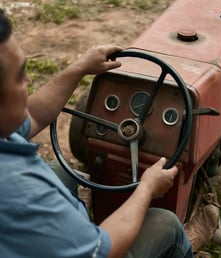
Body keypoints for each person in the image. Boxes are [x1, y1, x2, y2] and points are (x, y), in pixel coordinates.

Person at [0, 10, 193, 258]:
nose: (27, 79)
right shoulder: (24, 193)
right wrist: (146, 188)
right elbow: (102, 251)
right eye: (18, 77)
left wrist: (79, 68)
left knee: (63, 172)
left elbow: (33, 116)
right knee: (166, 224)